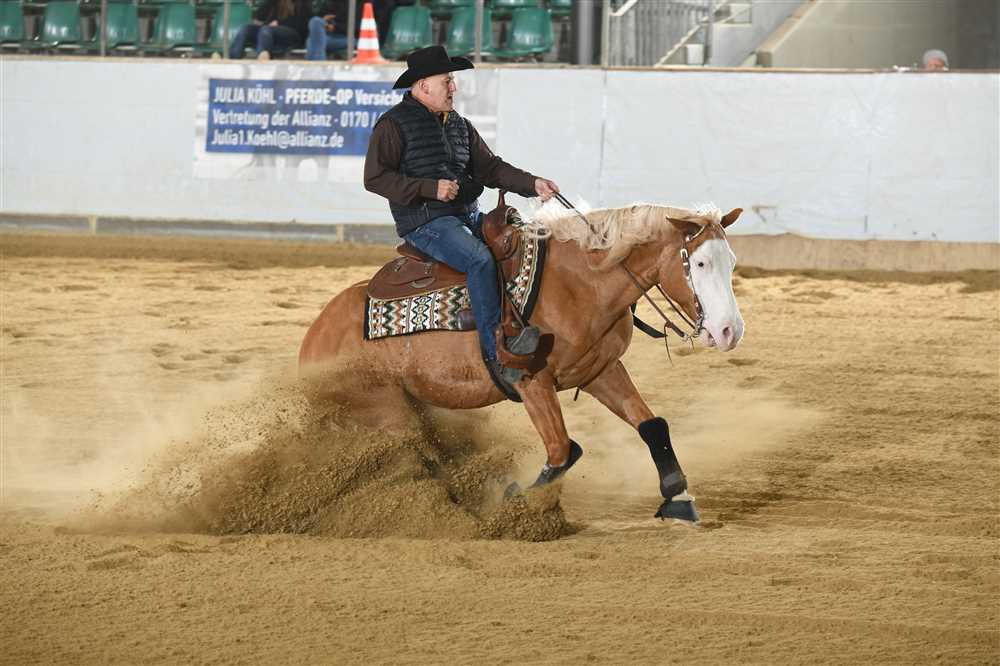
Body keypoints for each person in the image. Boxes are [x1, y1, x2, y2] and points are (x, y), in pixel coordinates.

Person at [363, 45, 559, 393]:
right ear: (423, 86)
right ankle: (496, 355)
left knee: (525, 242)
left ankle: (519, 323)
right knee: (479, 259)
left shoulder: (459, 125)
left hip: (467, 215)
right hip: (424, 223)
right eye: (447, 81)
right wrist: (429, 188)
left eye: (452, 80)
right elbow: (375, 178)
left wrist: (533, 184)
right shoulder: (393, 125)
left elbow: (491, 168)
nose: (453, 87)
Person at [229, 0, 312, 61]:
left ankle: (263, 58)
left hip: (294, 35)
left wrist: (279, 23)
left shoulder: (302, 3)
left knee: (265, 30)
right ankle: (233, 57)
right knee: (246, 28)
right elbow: (259, 16)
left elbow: (303, 25)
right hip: (269, 31)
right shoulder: (274, 2)